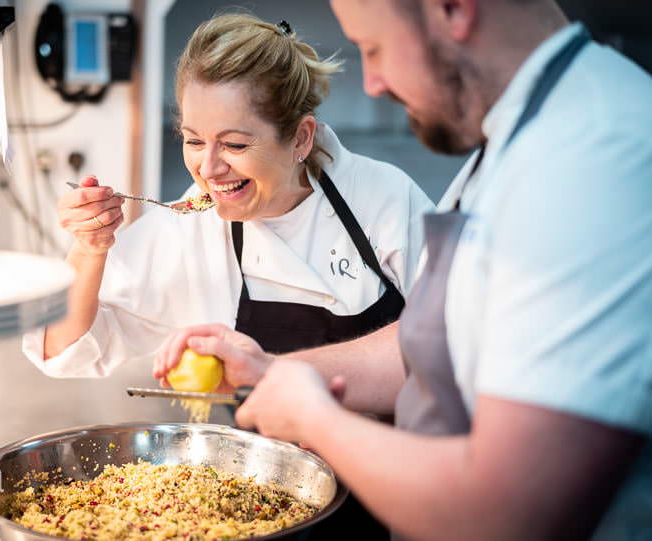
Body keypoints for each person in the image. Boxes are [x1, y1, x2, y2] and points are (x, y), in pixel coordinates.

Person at [154, 1, 652, 540]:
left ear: (452, 9)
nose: (373, 84)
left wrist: (319, 421)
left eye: (374, 48)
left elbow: (510, 512)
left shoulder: (591, 157)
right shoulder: (523, 138)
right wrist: (271, 370)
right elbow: (436, 345)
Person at [22, 13, 433, 390]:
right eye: (193, 141)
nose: (209, 168)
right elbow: (61, 350)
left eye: (235, 144)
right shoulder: (188, 230)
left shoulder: (385, 199)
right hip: (256, 448)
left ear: (301, 138)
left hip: (388, 444)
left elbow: (451, 342)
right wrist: (89, 250)